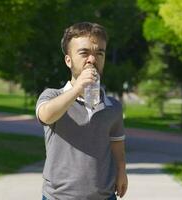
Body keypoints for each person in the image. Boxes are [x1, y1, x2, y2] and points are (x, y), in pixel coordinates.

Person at [36, 22, 128, 200]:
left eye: (99, 53)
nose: (92, 60)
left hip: (105, 196)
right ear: (68, 60)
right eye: (84, 53)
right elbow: (46, 116)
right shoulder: (52, 96)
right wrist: (78, 88)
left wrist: (122, 171)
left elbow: (117, 144)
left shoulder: (113, 106)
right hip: (58, 197)